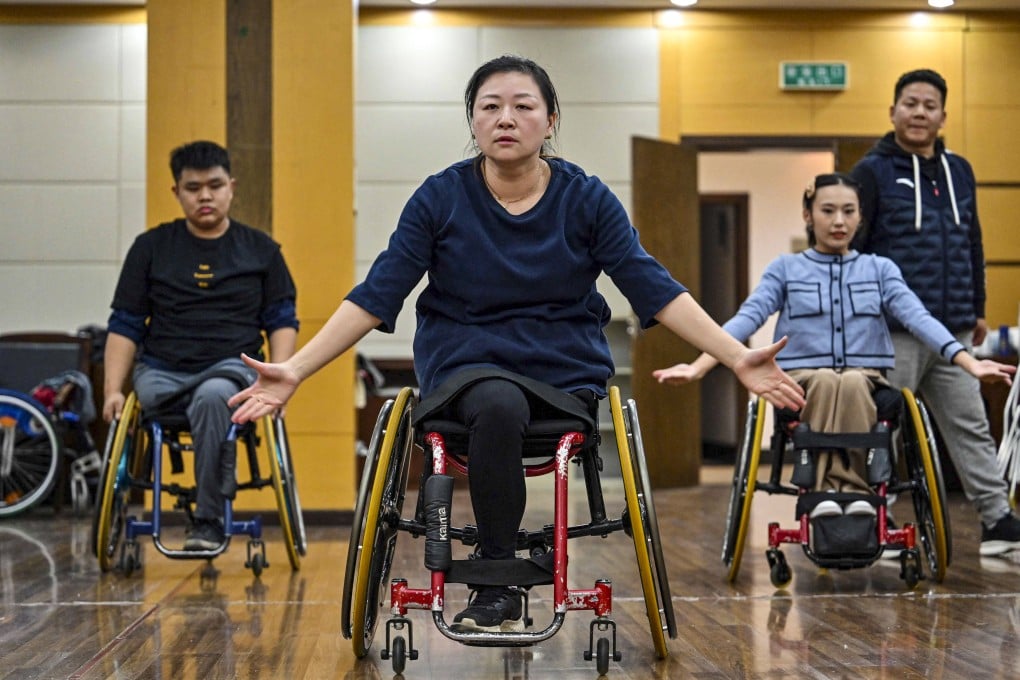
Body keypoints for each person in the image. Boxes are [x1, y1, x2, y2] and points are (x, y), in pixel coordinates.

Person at [228, 55, 804, 633]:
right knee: (496, 401)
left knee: (507, 401)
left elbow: (652, 285)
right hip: (464, 370)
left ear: (550, 120)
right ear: (473, 122)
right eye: (490, 107)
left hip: (561, 373)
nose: (506, 118)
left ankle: (499, 569)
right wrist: (296, 368)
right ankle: (496, 578)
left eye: (523, 106)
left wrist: (735, 357)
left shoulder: (586, 199)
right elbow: (377, 294)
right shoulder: (439, 199)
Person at [653, 173, 1014, 520]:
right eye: (828, 211)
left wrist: (969, 362)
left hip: (866, 378)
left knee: (853, 381)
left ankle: (853, 494)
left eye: (849, 211)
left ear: (860, 216)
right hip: (803, 378)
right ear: (808, 215)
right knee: (826, 380)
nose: (839, 221)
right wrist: (699, 366)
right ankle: (825, 493)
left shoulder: (880, 269)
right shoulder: (786, 269)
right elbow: (748, 317)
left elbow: (918, 318)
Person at [850, 68, 1020, 556]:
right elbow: (855, 248)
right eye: (910, 103)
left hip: (955, 330)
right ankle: (867, 520)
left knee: (969, 424)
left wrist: (978, 307)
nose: (919, 112)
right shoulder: (871, 172)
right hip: (892, 330)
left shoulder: (960, 170)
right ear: (893, 111)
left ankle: (997, 521)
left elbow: (973, 242)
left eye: (929, 105)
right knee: (881, 427)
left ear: (943, 116)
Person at [102, 140, 299, 551]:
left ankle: (207, 520)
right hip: (162, 372)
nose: (204, 196)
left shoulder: (262, 251)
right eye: (193, 188)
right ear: (176, 192)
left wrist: (279, 377)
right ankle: (205, 508)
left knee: (213, 397)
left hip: (231, 372)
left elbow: (281, 319)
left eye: (214, 185)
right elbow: (125, 323)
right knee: (189, 395)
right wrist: (112, 391)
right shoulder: (150, 248)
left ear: (231, 186)